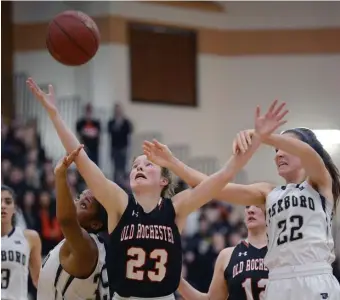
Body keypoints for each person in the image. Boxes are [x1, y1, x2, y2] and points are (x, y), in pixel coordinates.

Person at [25, 78, 284, 299]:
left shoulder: (178, 207)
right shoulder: (118, 203)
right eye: (135, 164)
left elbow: (224, 175)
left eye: (147, 164)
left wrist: (256, 140)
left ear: (163, 181)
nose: (139, 167)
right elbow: (81, 158)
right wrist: (54, 115)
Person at [141, 100, 340, 299]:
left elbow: (308, 153)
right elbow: (212, 186)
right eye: (275, 151)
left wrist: (263, 136)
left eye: (283, 148)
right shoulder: (268, 192)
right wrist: (172, 163)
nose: (278, 154)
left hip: (314, 275)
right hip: (278, 282)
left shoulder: (319, 184)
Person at [37, 146, 110, 300]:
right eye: (78, 199)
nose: (75, 204)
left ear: (96, 224)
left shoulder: (87, 248)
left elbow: (67, 220)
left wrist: (60, 175)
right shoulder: (94, 247)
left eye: (83, 205)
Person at [178, 205, 268, 300]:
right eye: (247, 206)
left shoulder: (280, 252)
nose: (250, 210)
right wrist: (177, 280)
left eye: (257, 205)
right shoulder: (227, 255)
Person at [1, 185, 42, 300]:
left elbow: (39, 280)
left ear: (14, 208)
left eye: (8, 202)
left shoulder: (30, 238)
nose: (3, 205)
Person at [108, 103, 133, 186]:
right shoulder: (111, 122)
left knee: (122, 167)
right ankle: (115, 184)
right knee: (115, 168)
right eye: (116, 110)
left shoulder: (126, 122)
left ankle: (122, 185)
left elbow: (129, 131)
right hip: (114, 148)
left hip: (123, 148)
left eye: (119, 110)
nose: (118, 112)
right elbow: (110, 132)